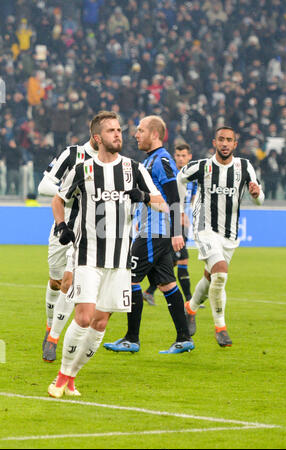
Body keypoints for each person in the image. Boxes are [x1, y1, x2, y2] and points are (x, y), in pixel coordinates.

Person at [48, 111, 165, 398]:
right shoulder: (83, 170)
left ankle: (71, 378)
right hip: (88, 256)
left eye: (120, 130)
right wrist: (62, 225)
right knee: (85, 317)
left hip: (121, 261)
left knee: (100, 323)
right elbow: (58, 198)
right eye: (112, 131)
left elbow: (163, 203)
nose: (119, 135)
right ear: (98, 138)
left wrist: (144, 197)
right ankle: (61, 377)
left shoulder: (134, 169)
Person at [103, 116, 195, 355]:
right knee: (167, 283)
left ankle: (131, 338)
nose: (136, 134)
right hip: (152, 231)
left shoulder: (162, 160)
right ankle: (184, 338)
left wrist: (176, 233)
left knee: (128, 279)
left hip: (155, 233)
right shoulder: (152, 160)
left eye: (141, 130)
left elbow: (174, 198)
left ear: (155, 134)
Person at [177, 126, 264, 346]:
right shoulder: (202, 166)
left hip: (230, 233)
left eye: (229, 140)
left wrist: (257, 194)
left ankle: (191, 308)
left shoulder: (244, 166)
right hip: (204, 228)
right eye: (221, 140)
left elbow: (258, 198)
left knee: (211, 277)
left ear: (235, 144)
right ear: (214, 142)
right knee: (221, 273)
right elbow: (180, 178)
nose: (225, 143)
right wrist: (179, 209)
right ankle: (220, 327)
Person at [38, 136, 99, 362]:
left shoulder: (109, 161)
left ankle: (54, 337)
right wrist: (69, 190)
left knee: (69, 281)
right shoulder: (72, 154)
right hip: (62, 227)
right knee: (55, 281)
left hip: (89, 232)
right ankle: (49, 324)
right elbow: (43, 185)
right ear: (95, 135)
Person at [143, 143, 204, 308]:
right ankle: (190, 300)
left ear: (190, 157)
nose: (180, 158)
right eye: (178, 155)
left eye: (184, 155)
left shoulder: (192, 179)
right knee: (181, 258)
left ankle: (149, 291)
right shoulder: (170, 174)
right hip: (169, 222)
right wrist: (181, 214)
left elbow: (190, 200)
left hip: (181, 223)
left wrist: (188, 214)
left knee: (173, 261)